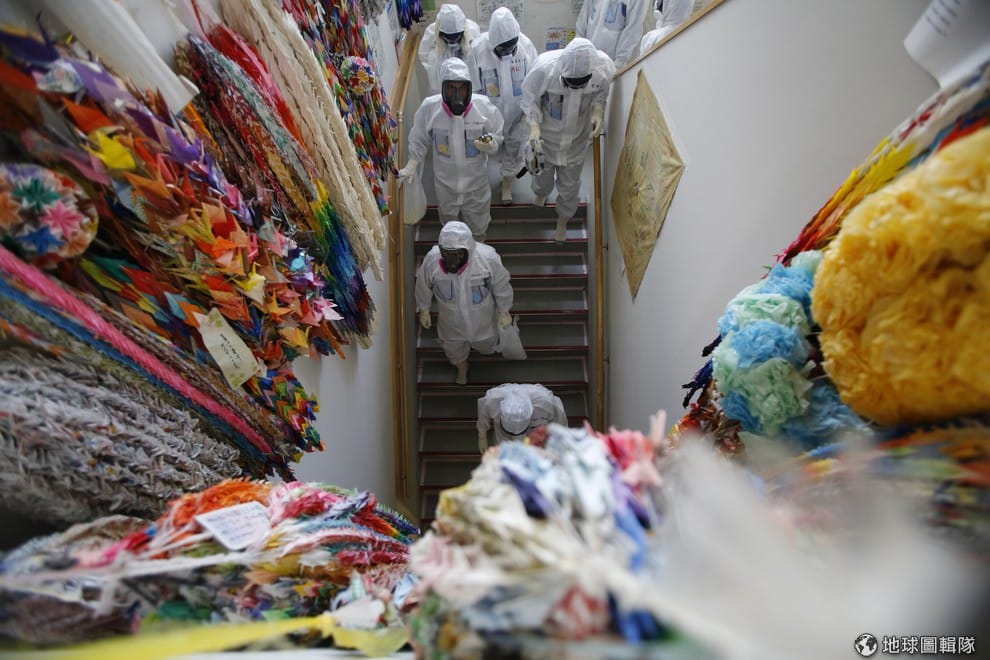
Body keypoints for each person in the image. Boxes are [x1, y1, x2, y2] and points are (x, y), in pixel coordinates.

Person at [399, 57, 504, 241]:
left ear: (469, 88)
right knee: (449, 224)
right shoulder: (430, 108)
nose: (457, 94)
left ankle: (478, 247)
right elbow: (419, 138)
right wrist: (412, 164)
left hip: (476, 184)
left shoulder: (483, 107)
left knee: (478, 224)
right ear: (443, 88)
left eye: (462, 88)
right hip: (445, 184)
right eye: (451, 88)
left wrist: (492, 143)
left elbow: (498, 132)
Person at [520, 37, 614, 242]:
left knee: (570, 187)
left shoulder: (603, 67)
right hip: (546, 139)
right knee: (542, 178)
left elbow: (601, 92)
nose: (574, 88)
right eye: (570, 83)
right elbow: (529, 98)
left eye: (580, 84)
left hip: (576, 142)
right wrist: (534, 126)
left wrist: (598, 110)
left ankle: (563, 219)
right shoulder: (544, 69)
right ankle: (542, 193)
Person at [414, 221, 514, 385]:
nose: (452, 259)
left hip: (482, 318)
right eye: (447, 253)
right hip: (450, 320)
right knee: (452, 346)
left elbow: (501, 285)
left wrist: (504, 310)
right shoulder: (432, 260)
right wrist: (423, 308)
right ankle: (462, 366)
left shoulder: (487, 258)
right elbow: (422, 284)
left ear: (469, 248)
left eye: (458, 254)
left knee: (486, 342)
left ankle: (484, 350)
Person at [465, 6, 539, 205]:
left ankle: (507, 183)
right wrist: (479, 119)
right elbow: (473, 88)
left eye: (511, 48)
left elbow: (534, 82)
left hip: (518, 113)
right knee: (490, 149)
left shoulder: (525, 45)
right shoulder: (477, 50)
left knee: (515, 150)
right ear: (493, 44)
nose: (507, 52)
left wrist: (530, 115)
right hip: (490, 115)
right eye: (502, 49)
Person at [476, 383, 567, 451]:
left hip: (533, 433)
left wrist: (562, 442)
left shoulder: (545, 401)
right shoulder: (492, 399)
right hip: (503, 435)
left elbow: (560, 419)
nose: (517, 437)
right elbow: (483, 413)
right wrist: (482, 435)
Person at [417, 3, 481, 94]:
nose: (452, 42)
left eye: (455, 37)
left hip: (469, 77)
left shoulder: (473, 30)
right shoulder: (431, 32)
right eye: (449, 38)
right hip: (442, 81)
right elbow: (424, 55)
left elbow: (479, 54)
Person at [575, 0, 649, 68]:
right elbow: (583, 19)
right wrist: (578, 50)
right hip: (587, 58)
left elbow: (632, 31)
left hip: (613, 63)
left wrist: (619, 64)